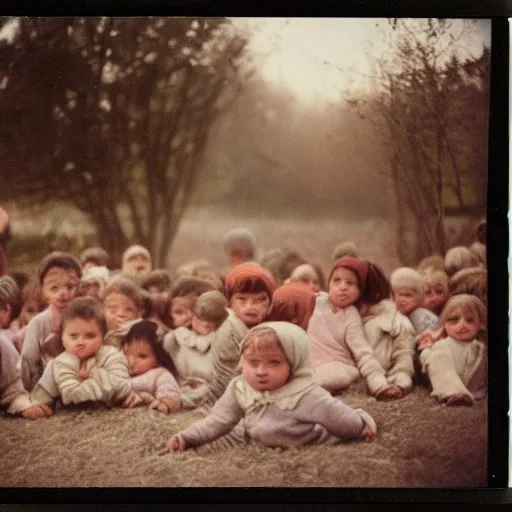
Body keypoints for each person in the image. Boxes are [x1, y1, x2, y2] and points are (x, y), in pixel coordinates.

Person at [168, 322, 377, 452]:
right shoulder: (240, 388)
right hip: (263, 443)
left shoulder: (305, 394)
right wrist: (188, 437)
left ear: (293, 363)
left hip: (311, 441)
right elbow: (217, 421)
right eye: (253, 362)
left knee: (339, 415)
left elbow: (337, 416)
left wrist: (359, 426)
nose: (261, 371)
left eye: (274, 363)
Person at [307, 257, 400, 398]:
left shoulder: (351, 316)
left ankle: (308, 387)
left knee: (334, 375)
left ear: (359, 292)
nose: (343, 287)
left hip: (338, 365)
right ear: (329, 285)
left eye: (350, 283)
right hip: (309, 364)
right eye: (336, 281)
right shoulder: (315, 301)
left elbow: (363, 354)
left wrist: (379, 384)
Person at [29, 296, 132, 410]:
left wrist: (92, 372)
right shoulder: (57, 364)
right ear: (62, 337)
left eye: (89, 336)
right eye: (73, 336)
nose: (80, 342)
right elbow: (43, 396)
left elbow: (123, 387)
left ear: (102, 337)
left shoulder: (111, 356)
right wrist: (36, 406)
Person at [20, 252, 82, 391]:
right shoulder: (38, 323)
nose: (63, 293)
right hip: (46, 384)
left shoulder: (87, 317)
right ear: (43, 291)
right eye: (54, 288)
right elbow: (28, 360)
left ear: (79, 287)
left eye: (70, 286)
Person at [418, 294, 487, 406]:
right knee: (437, 355)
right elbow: (426, 358)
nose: (461, 325)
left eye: (469, 320)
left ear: (481, 324)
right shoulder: (443, 345)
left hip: (476, 390)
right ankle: (453, 392)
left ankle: (463, 394)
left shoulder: (480, 347)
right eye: (454, 320)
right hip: (448, 384)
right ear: (444, 324)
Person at [163, 290, 229, 383]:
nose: (206, 322)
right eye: (200, 316)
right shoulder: (177, 338)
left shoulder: (222, 339)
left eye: (212, 318)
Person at [121, 320, 180, 414]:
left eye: (142, 356)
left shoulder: (159, 374)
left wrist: (164, 403)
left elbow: (170, 391)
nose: (131, 361)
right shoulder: (119, 366)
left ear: (159, 361)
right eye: (127, 353)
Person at [390, 267, 440, 334]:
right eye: (400, 294)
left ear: (418, 298)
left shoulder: (418, 315)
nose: (402, 300)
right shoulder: (397, 315)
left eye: (408, 295)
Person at [102, 276, 145, 348]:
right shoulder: (96, 336)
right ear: (102, 310)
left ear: (138, 314)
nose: (120, 314)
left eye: (128, 310)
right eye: (113, 310)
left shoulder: (143, 338)